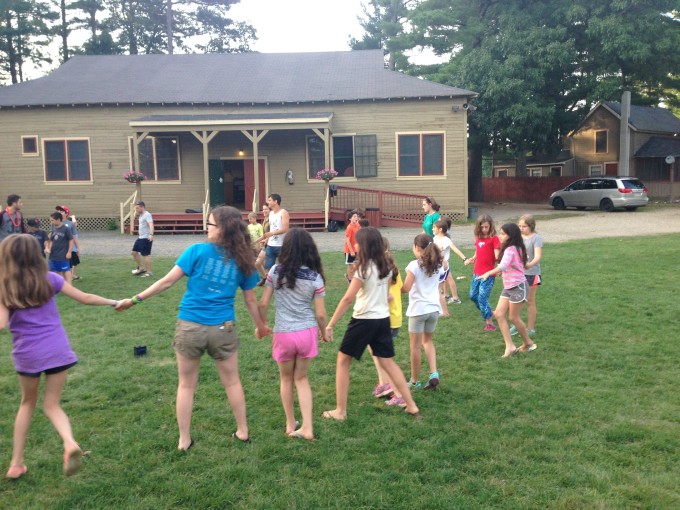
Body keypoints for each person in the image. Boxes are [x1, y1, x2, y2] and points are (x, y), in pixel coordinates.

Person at [116, 206, 270, 449]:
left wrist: (134, 300)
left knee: (186, 384)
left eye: (209, 224)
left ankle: (184, 439)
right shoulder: (243, 259)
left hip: (190, 327)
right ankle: (242, 431)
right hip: (224, 329)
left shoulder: (196, 251)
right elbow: (251, 300)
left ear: (221, 229)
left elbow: (166, 282)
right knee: (232, 381)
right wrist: (261, 326)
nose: (206, 228)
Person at [0, 234, 120, 480]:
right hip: (58, 351)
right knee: (52, 404)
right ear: (37, 255)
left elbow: (1, 324)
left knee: (27, 403)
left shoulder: (4, 288)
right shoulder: (51, 280)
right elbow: (85, 298)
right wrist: (115, 301)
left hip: (27, 356)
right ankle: (69, 442)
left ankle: (16, 463)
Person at [323, 227, 420, 420]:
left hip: (363, 320)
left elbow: (347, 299)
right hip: (382, 321)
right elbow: (387, 295)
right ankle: (411, 405)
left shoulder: (363, 269)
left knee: (343, 361)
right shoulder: (384, 267)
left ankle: (340, 411)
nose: (356, 244)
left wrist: (330, 324)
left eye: (358, 242)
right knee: (388, 363)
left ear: (365, 245)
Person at [257, 228, 328, 441]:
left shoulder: (275, 271)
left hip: (284, 334)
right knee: (302, 379)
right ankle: (307, 427)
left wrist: (261, 325)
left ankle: (290, 423)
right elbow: (321, 314)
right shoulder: (315, 277)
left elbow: (263, 303)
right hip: (307, 333)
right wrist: (324, 333)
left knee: (286, 379)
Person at [477, 223, 537, 358]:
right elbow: (518, 264)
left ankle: (528, 342)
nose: (500, 236)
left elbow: (503, 266)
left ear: (511, 235)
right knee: (499, 314)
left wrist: (488, 273)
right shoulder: (514, 248)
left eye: (503, 234)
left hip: (518, 287)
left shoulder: (511, 249)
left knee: (513, 317)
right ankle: (510, 346)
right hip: (509, 287)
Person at [402, 234, 443, 391]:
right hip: (433, 309)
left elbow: (405, 288)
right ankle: (434, 373)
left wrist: (392, 287)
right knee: (428, 341)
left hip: (418, 310)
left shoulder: (414, 265)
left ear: (416, 248)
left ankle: (414, 381)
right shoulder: (437, 264)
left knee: (415, 347)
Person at [465, 214, 501, 331]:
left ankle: (489, 322)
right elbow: (478, 250)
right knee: (473, 296)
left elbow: (496, 254)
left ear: (490, 227)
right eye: (482, 227)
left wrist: (500, 263)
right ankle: (488, 312)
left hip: (488, 274)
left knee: (482, 298)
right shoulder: (478, 238)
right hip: (477, 273)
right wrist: (473, 258)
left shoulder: (494, 239)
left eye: (487, 227)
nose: (484, 229)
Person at [510, 214, 543, 338]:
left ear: (531, 226)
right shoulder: (518, 237)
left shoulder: (536, 238)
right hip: (518, 274)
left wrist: (529, 265)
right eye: (520, 226)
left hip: (531, 274)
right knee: (517, 300)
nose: (521, 228)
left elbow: (538, 256)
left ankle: (530, 328)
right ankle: (517, 324)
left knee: (529, 300)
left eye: (524, 226)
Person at [433, 218, 466, 314]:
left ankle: (455, 298)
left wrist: (464, 258)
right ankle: (443, 298)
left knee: (448, 280)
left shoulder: (446, 239)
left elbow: (455, 249)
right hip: (437, 265)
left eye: (434, 227)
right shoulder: (435, 238)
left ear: (440, 229)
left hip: (444, 265)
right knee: (441, 282)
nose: (432, 229)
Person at [260, 193, 289, 273]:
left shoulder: (283, 212)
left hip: (281, 245)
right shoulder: (271, 214)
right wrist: (266, 240)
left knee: (284, 268)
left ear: (275, 201)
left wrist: (272, 233)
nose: (268, 202)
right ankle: (271, 284)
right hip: (270, 246)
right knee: (268, 269)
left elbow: (285, 229)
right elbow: (272, 228)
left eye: (269, 200)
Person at [46, 212, 74, 284]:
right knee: (54, 271)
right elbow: (51, 240)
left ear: (58, 219)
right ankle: (57, 286)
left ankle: (69, 286)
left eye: (52, 220)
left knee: (66, 271)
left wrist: (69, 252)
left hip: (63, 255)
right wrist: (49, 248)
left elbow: (71, 240)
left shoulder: (66, 229)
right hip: (53, 255)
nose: (51, 222)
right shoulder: (53, 229)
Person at [56, 206, 81, 281]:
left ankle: (68, 281)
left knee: (68, 266)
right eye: (59, 211)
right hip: (59, 249)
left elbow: (74, 237)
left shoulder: (70, 224)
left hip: (69, 249)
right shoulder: (55, 223)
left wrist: (78, 248)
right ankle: (60, 281)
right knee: (58, 266)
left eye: (61, 211)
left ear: (66, 213)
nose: (59, 212)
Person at [130, 201, 154, 278]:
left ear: (142, 207)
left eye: (137, 208)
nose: (136, 210)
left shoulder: (147, 214)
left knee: (145, 255)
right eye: (135, 208)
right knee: (134, 252)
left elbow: (151, 224)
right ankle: (141, 268)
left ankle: (149, 272)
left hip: (146, 238)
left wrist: (151, 234)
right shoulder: (141, 215)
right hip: (140, 238)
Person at [255, 203, 271, 285]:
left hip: (272, 245)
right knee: (258, 263)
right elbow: (264, 234)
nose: (264, 211)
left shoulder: (272, 219)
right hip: (266, 244)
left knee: (266, 265)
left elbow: (274, 233)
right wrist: (254, 242)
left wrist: (266, 240)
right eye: (263, 209)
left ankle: (267, 279)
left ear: (270, 210)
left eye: (266, 209)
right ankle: (265, 277)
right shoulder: (265, 219)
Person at [344, 210, 361, 284]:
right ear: (350, 219)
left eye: (356, 216)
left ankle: (353, 277)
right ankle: (349, 279)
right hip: (349, 250)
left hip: (356, 249)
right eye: (354, 216)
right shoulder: (349, 228)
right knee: (350, 265)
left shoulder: (358, 226)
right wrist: (351, 251)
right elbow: (347, 240)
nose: (356, 218)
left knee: (357, 264)